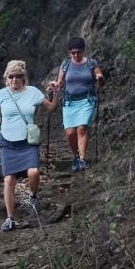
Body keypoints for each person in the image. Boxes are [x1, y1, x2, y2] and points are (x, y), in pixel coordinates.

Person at [0, 60, 57, 232]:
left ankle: (33, 196)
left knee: (33, 172)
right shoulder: (2, 94)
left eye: (18, 76)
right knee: (9, 179)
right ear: (7, 78)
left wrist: (56, 93)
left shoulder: (33, 92)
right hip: (8, 142)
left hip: (27, 142)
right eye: (11, 76)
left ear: (23, 77)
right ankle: (10, 218)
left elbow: (51, 108)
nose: (14, 79)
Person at [49, 36, 104, 171]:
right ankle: (75, 156)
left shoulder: (91, 63)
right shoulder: (66, 64)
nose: (75, 55)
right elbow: (61, 82)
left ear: (83, 51)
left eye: (78, 52)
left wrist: (99, 78)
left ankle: (82, 159)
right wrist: (54, 86)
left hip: (86, 100)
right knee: (70, 133)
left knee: (81, 128)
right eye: (72, 53)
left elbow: (99, 76)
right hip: (69, 102)